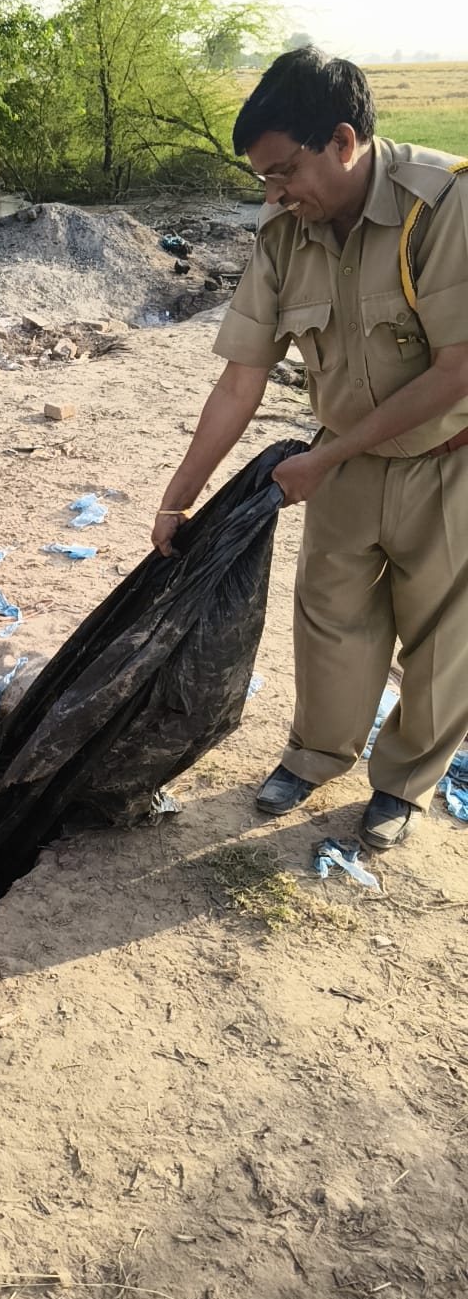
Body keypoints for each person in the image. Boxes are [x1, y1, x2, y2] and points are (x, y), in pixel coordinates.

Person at [152, 48, 468, 852]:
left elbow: (456, 372)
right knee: (330, 618)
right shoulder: (284, 231)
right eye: (263, 178)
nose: (277, 192)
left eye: (284, 170)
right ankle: (315, 757)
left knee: (441, 636)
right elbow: (239, 379)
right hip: (345, 462)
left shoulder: (443, 205)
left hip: (448, 457)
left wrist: (325, 458)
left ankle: (401, 785)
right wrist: (178, 496)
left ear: (343, 140)